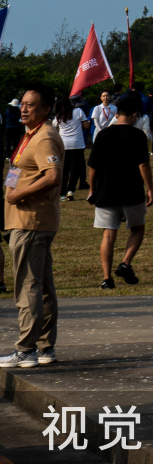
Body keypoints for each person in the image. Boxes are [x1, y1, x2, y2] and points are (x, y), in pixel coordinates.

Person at [0, 89, 62, 368]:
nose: (23, 110)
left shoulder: (45, 137)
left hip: (30, 221)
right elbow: (19, 170)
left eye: (31, 105)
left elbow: (53, 176)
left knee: (28, 285)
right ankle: (45, 346)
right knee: (42, 284)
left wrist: (17, 195)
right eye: (22, 105)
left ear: (46, 109)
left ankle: (26, 350)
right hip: (26, 220)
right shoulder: (30, 136)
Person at [85, 92, 153, 290]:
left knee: (108, 235)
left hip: (106, 192)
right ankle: (125, 263)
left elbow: (93, 166)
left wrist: (92, 189)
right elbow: (143, 166)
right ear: (135, 114)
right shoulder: (138, 135)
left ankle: (107, 279)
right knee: (137, 228)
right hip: (131, 191)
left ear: (117, 113)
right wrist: (149, 188)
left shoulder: (103, 135)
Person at [54, 97, 89, 201]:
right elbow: (86, 125)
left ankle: (62, 193)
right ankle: (71, 190)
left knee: (64, 170)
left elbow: (56, 130)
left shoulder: (58, 116)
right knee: (75, 169)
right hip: (77, 144)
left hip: (64, 145)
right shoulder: (78, 111)